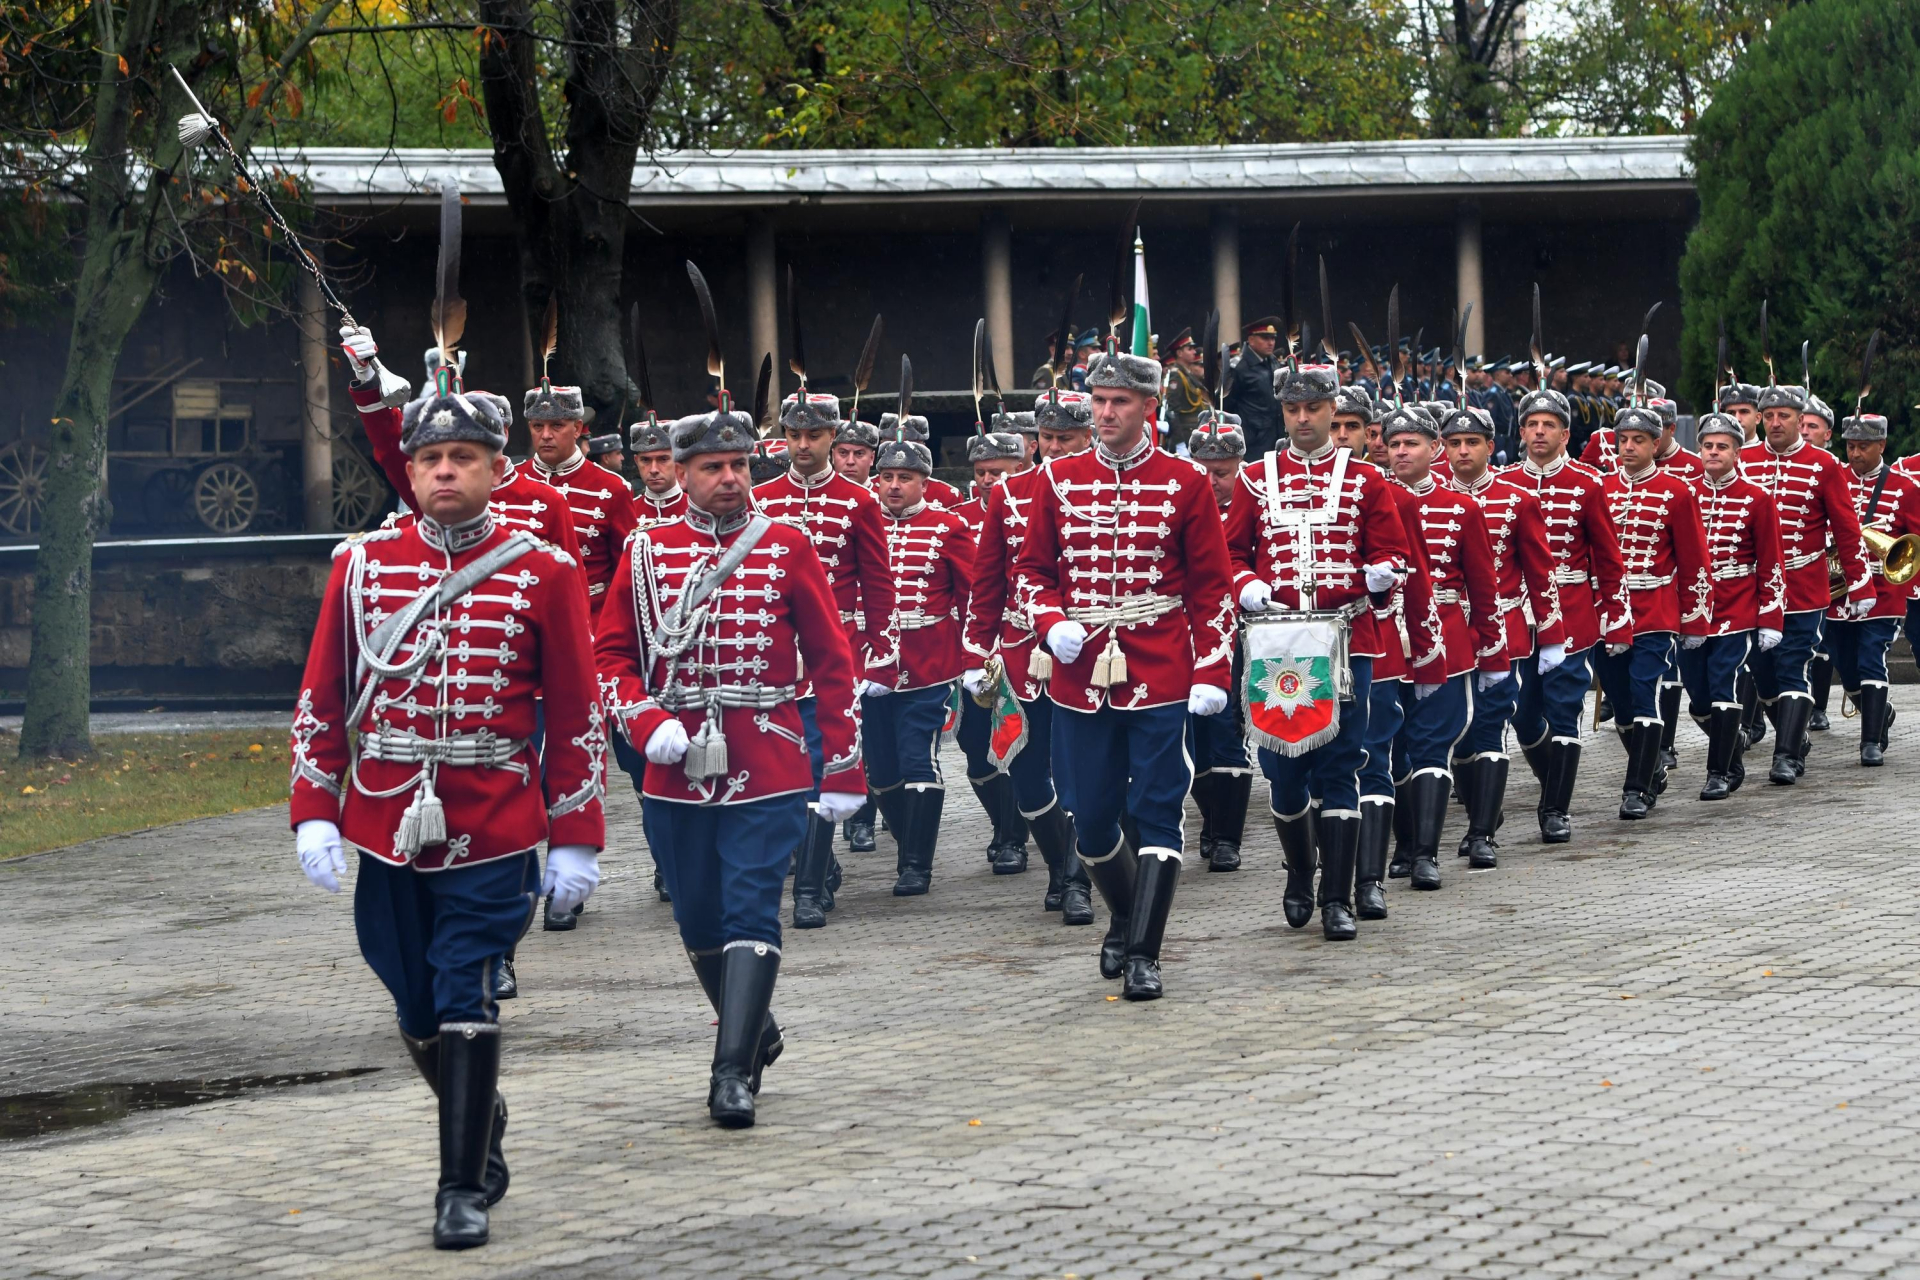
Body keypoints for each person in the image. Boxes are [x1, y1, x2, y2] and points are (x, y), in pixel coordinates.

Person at [290, 363, 604, 1250]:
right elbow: (325, 693)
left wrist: (577, 833)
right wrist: (315, 807)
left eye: (464, 457)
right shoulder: (360, 565)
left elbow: (577, 709)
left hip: (494, 820)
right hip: (387, 822)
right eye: (431, 457)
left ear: (497, 468)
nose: (445, 472)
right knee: (413, 1002)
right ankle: (479, 1109)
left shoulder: (543, 570)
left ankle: (459, 1187)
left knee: (467, 988)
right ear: (412, 467)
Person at [595, 401, 863, 1130]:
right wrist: (644, 720)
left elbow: (833, 661)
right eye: (712, 466)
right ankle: (753, 1029)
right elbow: (612, 657)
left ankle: (729, 1071)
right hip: (674, 763)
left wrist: (840, 765)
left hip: (767, 751)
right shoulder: (645, 551)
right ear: (680, 474)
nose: (729, 478)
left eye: (739, 464)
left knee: (750, 905)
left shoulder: (786, 545)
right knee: (697, 914)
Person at [1014, 347, 1235, 1000]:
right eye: (1098, 401)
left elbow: (1212, 587)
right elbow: (1031, 570)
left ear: (1149, 408)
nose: (1105, 413)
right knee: (1094, 819)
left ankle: (1143, 950)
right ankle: (1127, 915)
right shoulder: (1056, 479)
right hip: (1080, 674)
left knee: (1158, 809)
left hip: (1161, 666)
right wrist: (1049, 619)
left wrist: (1213, 670)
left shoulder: (1187, 481)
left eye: (1119, 402)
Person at [1223, 366, 1433, 937]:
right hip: (1276, 642)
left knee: (1344, 763)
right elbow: (1232, 552)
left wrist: (1383, 572)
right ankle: (1299, 870)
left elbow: (1394, 551)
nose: (1303, 419)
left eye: (1314, 408)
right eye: (1293, 410)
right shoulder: (1256, 478)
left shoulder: (1366, 480)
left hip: (1347, 638)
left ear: (1331, 409)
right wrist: (1245, 584)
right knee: (1283, 770)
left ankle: (1337, 896)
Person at [754, 388, 899, 929]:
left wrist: (881, 657)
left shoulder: (859, 501)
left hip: (831, 653)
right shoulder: (762, 498)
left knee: (820, 768)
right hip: (770, 659)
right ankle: (820, 861)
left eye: (814, 435)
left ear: (833, 438)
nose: (802, 445)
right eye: (793, 435)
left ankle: (809, 890)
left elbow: (877, 584)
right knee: (779, 771)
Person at [964, 389, 1096, 923]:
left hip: (1090, 652)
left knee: (1081, 768)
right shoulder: (1010, 492)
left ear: (1090, 436)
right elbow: (988, 578)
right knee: (1025, 768)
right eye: (1049, 438)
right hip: (1021, 650)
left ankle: (1078, 876)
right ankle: (1060, 862)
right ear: (1034, 441)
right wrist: (976, 649)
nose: (1058, 447)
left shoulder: (1106, 487)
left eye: (1069, 438)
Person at [1503, 386, 1633, 844]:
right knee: (1521, 713)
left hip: (1574, 611)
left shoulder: (1587, 484)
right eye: (1532, 425)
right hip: (1520, 613)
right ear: (1521, 432)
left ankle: (1555, 807)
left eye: (1549, 425)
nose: (1540, 432)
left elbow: (1607, 557)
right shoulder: (1504, 483)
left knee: (1564, 711)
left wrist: (1615, 615)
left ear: (1564, 434)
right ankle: (1550, 779)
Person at [1381, 403, 1503, 890]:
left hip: (1446, 635)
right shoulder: (1373, 499)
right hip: (1389, 638)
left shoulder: (1462, 507)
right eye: (1394, 444)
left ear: (1436, 450)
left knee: (1433, 744)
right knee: (1393, 750)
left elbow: (1484, 585)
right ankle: (1405, 845)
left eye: (1412, 443)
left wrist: (1491, 651)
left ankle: (1426, 852)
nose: (1402, 452)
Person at [1439, 406, 1565, 869]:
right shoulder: (1425, 498)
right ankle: (1478, 814)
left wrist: (1550, 634)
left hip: (1504, 630)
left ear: (1490, 447)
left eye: (1471, 442)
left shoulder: (1517, 500)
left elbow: (1540, 571)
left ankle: (1482, 831)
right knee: (1458, 732)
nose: (1462, 451)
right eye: (1453, 443)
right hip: (1450, 631)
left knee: (1492, 726)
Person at [339, 327, 581, 563]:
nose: (445, 470)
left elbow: (569, 591)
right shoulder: (441, 488)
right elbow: (393, 444)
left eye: (480, 435)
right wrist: (367, 375)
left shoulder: (548, 501)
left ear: (504, 434)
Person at [1741, 381, 1872, 784]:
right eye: (1769, 416)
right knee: (1760, 670)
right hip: (1755, 586)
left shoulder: (1823, 465)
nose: (1776, 423)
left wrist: (1860, 583)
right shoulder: (1743, 460)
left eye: (1785, 416)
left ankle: (1786, 756)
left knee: (1792, 663)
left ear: (1801, 420)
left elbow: (1847, 529)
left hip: (1804, 583)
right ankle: (1794, 737)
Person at [1597, 403, 1713, 819]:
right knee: (1620, 699)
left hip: (1655, 610)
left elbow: (1694, 559)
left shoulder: (1676, 491)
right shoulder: (1601, 487)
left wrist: (1695, 619)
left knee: (1645, 690)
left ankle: (1638, 787)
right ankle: (1650, 766)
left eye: (1639, 440)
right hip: (1607, 612)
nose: (1628, 447)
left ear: (1656, 442)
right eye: (1623, 440)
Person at [1686, 413, 1784, 799]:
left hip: (1736, 604)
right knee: (1697, 694)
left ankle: (1719, 772)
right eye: (1708, 445)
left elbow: (1771, 560)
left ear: (1737, 451)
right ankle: (1735, 750)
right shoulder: (1684, 493)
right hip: (1692, 608)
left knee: (1723, 681)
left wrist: (1770, 617)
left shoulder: (1757, 498)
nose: (1713, 452)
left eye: (1722, 446)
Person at [953, 421, 1033, 875]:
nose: (987, 479)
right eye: (981, 471)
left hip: (1023, 642)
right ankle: (1004, 823)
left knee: (1021, 745)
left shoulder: (1035, 507)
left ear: (1021, 466)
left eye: (998, 470)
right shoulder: (956, 517)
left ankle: (1015, 836)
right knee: (974, 745)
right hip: (972, 646)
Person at [1826, 411, 1920, 766]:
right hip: (1838, 587)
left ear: (1882, 445)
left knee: (1871, 658)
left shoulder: (1905, 487)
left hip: (1884, 588)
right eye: (1850, 446)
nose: (1855, 454)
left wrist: (1910, 586)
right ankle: (1880, 714)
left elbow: (1915, 543)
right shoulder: (1832, 479)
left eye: (1863, 447)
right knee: (1844, 663)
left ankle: (1870, 743)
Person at [1184, 411, 1256, 874]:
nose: (1213, 482)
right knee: (1192, 738)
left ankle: (1228, 837)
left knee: (1227, 731)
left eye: (1223, 474)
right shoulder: (1180, 503)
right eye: (1204, 472)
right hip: (1183, 635)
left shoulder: (1255, 502)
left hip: (1237, 632)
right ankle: (1210, 822)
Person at [524, 382, 638, 624]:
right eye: (537, 426)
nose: (546, 435)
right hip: (521, 620)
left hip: (591, 619)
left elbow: (626, 574)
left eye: (556, 425)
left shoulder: (612, 488)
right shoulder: (510, 481)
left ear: (577, 428)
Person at [1801, 395, 1838, 730]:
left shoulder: (1833, 467)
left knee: (1821, 641)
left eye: (1813, 426)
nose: (1806, 431)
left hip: (1826, 562)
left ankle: (1818, 707)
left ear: (1828, 433)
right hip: (1797, 564)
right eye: (1803, 425)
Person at [1224, 317, 1282, 458]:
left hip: (1275, 435)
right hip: (1252, 439)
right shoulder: (1238, 367)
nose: (1271, 343)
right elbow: (1226, 405)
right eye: (1265, 338)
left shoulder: (1273, 362)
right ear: (1251, 340)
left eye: (1273, 338)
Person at [630, 415, 690, 531]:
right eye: (645, 460)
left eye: (663, 459)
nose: (653, 470)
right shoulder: (626, 511)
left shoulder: (699, 511)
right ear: (636, 461)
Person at [1160, 327, 1209, 448]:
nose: (1194, 352)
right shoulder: (1176, 375)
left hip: (1194, 431)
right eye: (1189, 349)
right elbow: (1172, 411)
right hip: (1185, 433)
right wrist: (1179, 441)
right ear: (1179, 353)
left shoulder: (1187, 374)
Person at [831, 415, 880, 488]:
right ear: (833, 456)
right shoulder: (815, 494)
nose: (850, 461)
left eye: (859, 453)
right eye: (843, 453)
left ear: (871, 458)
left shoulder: (883, 497)